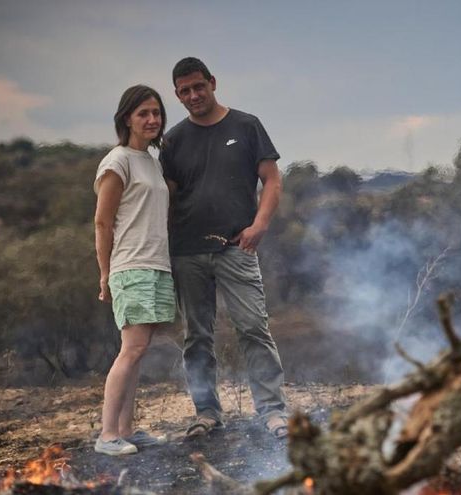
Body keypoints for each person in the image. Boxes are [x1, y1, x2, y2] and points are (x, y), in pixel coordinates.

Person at [161, 57, 289, 439]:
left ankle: (272, 411)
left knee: (253, 327)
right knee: (197, 335)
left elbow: (272, 180)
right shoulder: (173, 140)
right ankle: (207, 413)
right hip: (187, 251)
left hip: (237, 247)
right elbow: (166, 198)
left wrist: (259, 225)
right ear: (177, 95)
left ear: (212, 83)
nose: (193, 95)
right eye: (185, 91)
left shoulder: (246, 126)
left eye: (199, 86)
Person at [93, 85, 173, 456]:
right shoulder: (117, 161)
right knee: (132, 349)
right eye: (143, 113)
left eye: (156, 112)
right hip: (131, 265)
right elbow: (102, 222)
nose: (152, 119)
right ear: (127, 118)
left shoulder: (152, 162)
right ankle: (107, 435)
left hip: (156, 264)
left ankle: (126, 429)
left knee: (137, 350)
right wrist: (105, 272)